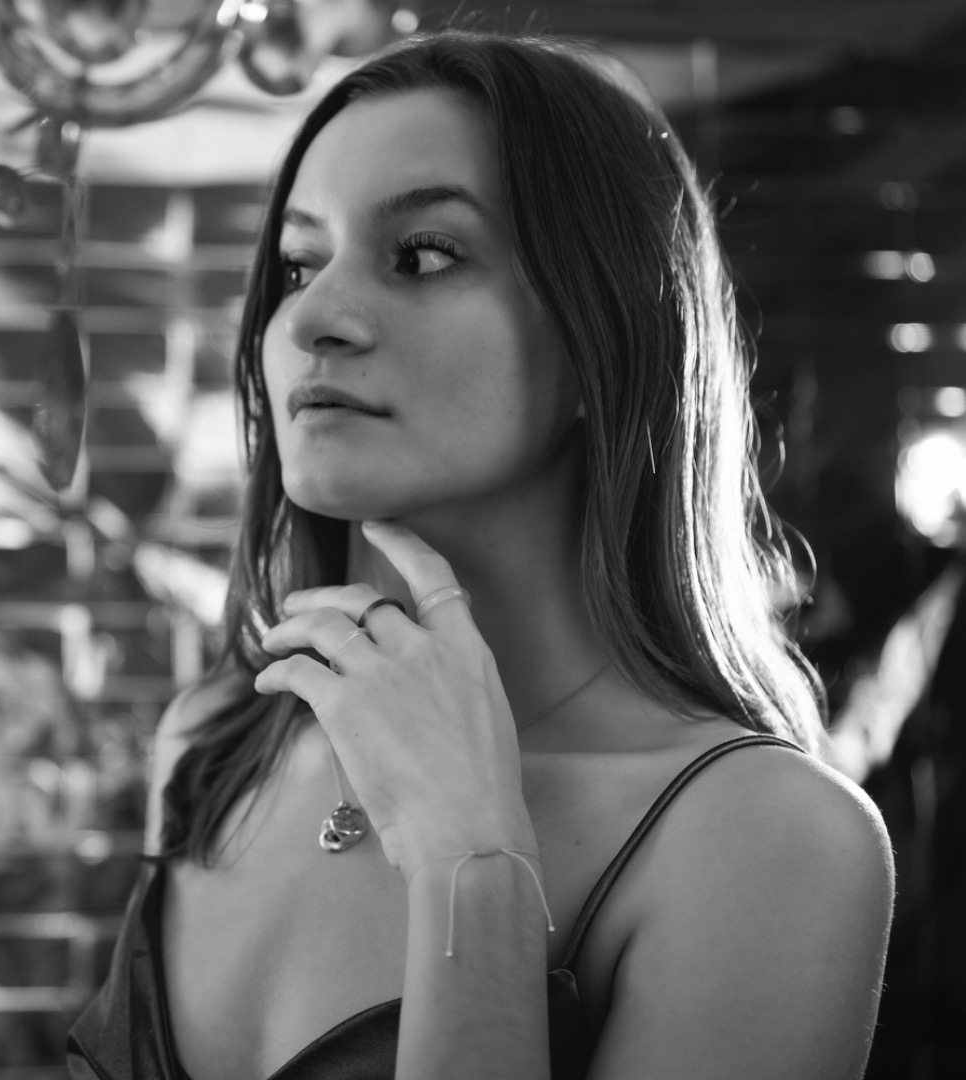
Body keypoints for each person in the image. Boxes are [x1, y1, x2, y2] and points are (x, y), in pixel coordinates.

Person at [67, 28, 894, 1080]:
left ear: (605, 336)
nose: (312, 317)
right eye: (299, 264)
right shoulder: (213, 746)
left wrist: (470, 855)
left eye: (423, 255)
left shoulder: (769, 842)